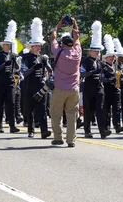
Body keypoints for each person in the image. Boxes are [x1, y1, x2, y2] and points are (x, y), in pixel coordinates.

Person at [49, 16, 82, 147]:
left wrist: (58, 25)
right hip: (74, 89)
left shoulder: (58, 52)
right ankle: (71, 140)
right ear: (72, 44)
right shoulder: (77, 52)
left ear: (62, 43)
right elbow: (77, 37)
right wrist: (74, 23)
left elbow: (52, 37)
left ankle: (58, 137)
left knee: (56, 113)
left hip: (59, 88)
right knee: (72, 115)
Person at [21, 18, 53, 139]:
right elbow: (25, 73)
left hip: (41, 85)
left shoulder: (43, 57)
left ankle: (44, 130)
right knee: (30, 109)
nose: (39, 48)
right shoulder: (26, 58)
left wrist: (46, 64)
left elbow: (50, 70)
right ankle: (31, 130)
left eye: (39, 46)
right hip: (30, 85)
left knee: (42, 108)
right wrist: (35, 67)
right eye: (36, 46)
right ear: (32, 47)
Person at [80, 21, 109, 139]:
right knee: (88, 111)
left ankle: (103, 130)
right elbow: (82, 74)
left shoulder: (99, 61)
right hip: (89, 88)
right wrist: (93, 72)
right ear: (90, 51)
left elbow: (109, 71)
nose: (97, 52)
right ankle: (87, 131)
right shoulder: (86, 61)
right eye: (95, 51)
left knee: (100, 109)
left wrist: (107, 68)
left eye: (98, 51)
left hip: (98, 88)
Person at [0, 20, 21, 134]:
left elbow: (18, 69)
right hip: (0, 81)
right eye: (6, 44)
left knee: (11, 103)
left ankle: (12, 125)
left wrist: (15, 63)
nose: (7, 46)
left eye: (9, 44)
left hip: (10, 81)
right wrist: (5, 64)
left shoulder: (13, 55)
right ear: (3, 45)